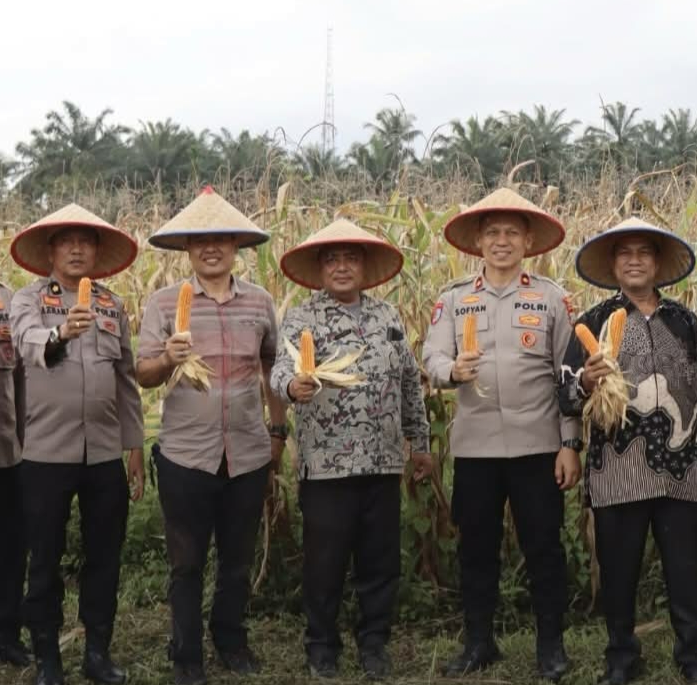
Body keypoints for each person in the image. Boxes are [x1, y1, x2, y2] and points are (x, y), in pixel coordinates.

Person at [558, 217, 697, 684]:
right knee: (618, 572)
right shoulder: (590, 323)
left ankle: (692, 656)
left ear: (656, 264)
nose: (635, 260)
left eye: (644, 253)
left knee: (686, 571)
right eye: (625, 253)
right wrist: (585, 382)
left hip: (683, 469)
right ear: (613, 265)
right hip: (616, 468)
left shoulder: (684, 321)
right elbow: (566, 394)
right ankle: (621, 656)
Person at [422, 188, 581, 681]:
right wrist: (452, 371)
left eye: (512, 232)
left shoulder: (552, 298)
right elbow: (431, 359)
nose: (502, 241)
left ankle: (550, 647)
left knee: (544, 548)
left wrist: (570, 443)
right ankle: (478, 642)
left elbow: (570, 376)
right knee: (476, 548)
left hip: (538, 447)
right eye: (492, 233)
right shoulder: (454, 299)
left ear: (529, 240)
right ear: (477, 241)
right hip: (476, 449)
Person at [136, 186, 286, 685]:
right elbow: (144, 374)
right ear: (187, 249)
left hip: (246, 451)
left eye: (221, 238)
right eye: (199, 240)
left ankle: (230, 638)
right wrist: (167, 360)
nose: (211, 248)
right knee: (186, 562)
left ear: (236, 245)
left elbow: (271, 368)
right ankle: (186, 654)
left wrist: (278, 431)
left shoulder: (260, 304)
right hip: (185, 455)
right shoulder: (162, 304)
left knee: (237, 559)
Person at [270, 220, 433, 679]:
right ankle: (321, 644)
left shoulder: (387, 317)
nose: (342, 268)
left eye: (351, 259)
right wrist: (293, 386)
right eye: (332, 260)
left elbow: (408, 384)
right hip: (327, 466)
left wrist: (419, 444)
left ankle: (374, 641)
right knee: (325, 560)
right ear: (321, 269)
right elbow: (280, 371)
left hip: (382, 462)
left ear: (364, 267)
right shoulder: (304, 317)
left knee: (379, 559)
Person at [9, 205, 144, 685]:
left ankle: (97, 652)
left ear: (96, 251)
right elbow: (27, 343)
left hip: (105, 452)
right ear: (50, 251)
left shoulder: (111, 304)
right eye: (66, 241)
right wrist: (62, 331)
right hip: (45, 453)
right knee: (43, 556)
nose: (76, 249)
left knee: (105, 554)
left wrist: (134, 447)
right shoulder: (28, 301)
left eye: (85, 242)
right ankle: (48, 656)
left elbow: (126, 380)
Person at [0, 277, 29, 670]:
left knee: (10, 550)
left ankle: (7, 635)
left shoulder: (9, 300)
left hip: (7, 452)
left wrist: (25, 441)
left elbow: (21, 380)